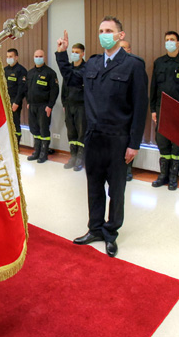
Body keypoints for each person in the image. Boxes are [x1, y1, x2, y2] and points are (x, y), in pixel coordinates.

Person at [56, 19, 148, 258]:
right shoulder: (94, 63)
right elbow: (72, 78)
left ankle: (110, 232)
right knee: (94, 186)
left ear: (120, 35)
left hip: (118, 139)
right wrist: (62, 54)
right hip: (94, 137)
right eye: (101, 31)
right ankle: (95, 228)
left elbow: (140, 107)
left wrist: (134, 144)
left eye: (109, 31)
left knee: (116, 190)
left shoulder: (133, 65)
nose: (104, 35)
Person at [149, 31, 179, 190]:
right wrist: (153, 109)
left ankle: (173, 177)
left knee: (177, 145)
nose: (169, 42)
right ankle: (163, 175)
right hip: (162, 109)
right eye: (167, 40)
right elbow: (153, 87)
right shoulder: (159, 62)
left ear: (178, 43)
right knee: (162, 142)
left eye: (172, 40)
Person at [25, 49, 59, 163]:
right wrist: (28, 102)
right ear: (33, 57)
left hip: (43, 106)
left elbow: (54, 90)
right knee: (34, 129)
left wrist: (50, 106)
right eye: (36, 56)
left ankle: (44, 154)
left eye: (40, 56)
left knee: (44, 130)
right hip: (32, 106)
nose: (38, 58)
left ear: (44, 57)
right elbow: (27, 89)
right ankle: (37, 152)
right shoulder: (30, 73)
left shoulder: (50, 73)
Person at [60, 42, 86, 171]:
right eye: (73, 52)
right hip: (69, 105)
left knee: (81, 132)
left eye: (77, 52)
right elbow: (64, 88)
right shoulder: (68, 69)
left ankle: (80, 158)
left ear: (82, 54)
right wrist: (64, 103)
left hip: (81, 106)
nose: (74, 54)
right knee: (71, 132)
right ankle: (73, 156)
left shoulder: (86, 69)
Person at [4, 48, 27, 146]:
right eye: (7, 57)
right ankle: (8, 144)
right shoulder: (4, 70)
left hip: (15, 101)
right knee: (6, 123)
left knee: (15, 122)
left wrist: (17, 102)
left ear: (16, 57)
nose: (8, 58)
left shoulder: (21, 70)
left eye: (11, 56)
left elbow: (22, 89)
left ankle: (16, 145)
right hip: (5, 100)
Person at [119, 40, 135, 181]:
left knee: (129, 141)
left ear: (129, 50)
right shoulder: (112, 66)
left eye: (124, 48)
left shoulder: (135, 66)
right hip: (115, 112)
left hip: (129, 110)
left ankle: (128, 169)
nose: (122, 50)